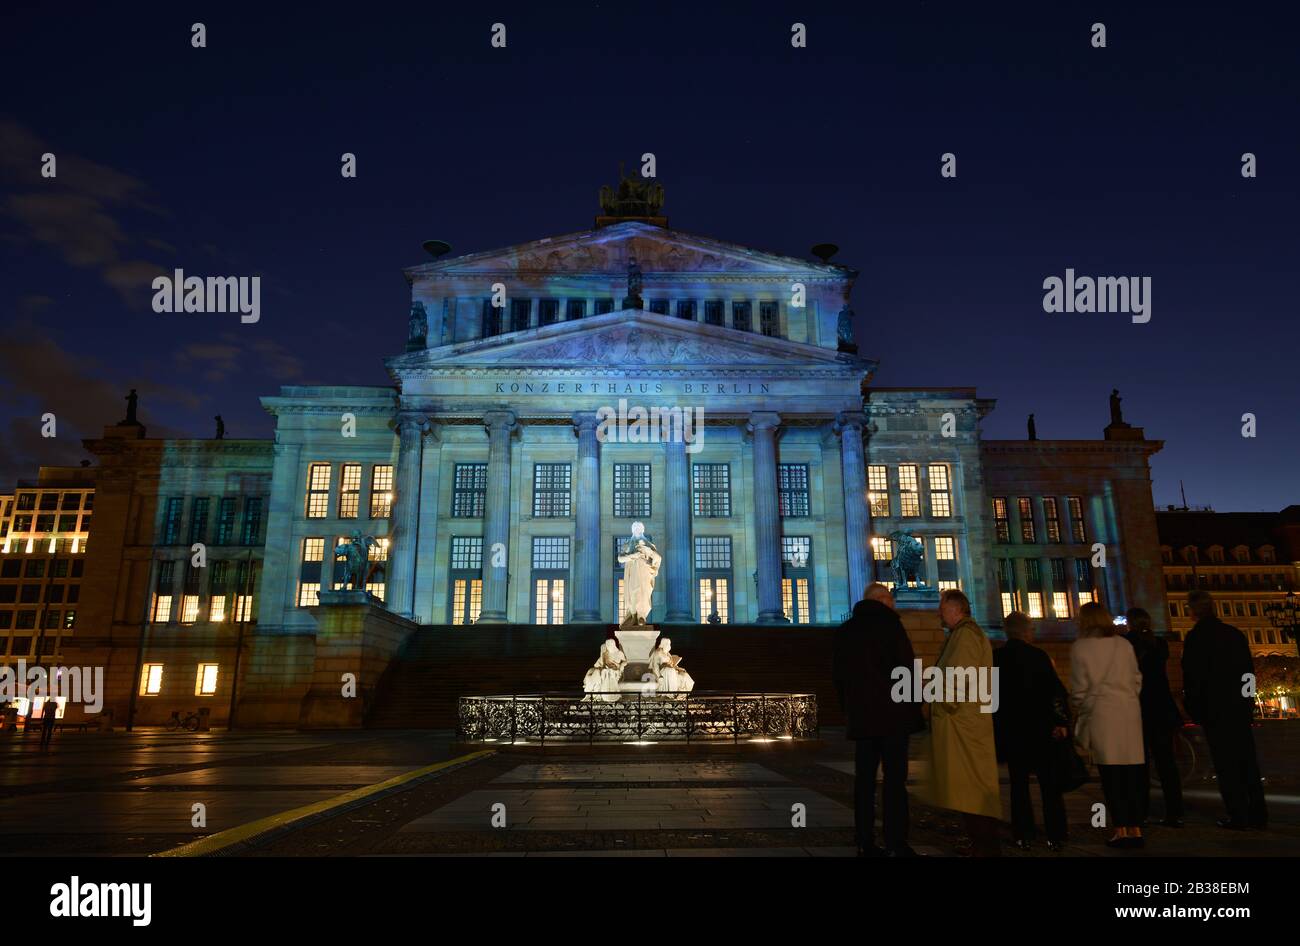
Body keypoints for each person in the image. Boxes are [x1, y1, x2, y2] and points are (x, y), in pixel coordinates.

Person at [833, 583, 924, 857]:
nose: (895, 604)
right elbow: (906, 669)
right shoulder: (891, 626)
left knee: (864, 781)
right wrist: (913, 706)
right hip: (894, 718)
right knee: (895, 782)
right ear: (883, 600)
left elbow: (838, 676)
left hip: (863, 718)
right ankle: (896, 841)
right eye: (892, 600)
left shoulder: (846, 631)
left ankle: (864, 840)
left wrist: (848, 708)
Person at [920, 589, 1002, 856]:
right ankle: (980, 842)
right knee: (967, 790)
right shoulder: (962, 635)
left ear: (955, 609)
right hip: (963, 724)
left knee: (971, 790)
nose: (938, 614)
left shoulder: (965, 635)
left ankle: (985, 846)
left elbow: (957, 680)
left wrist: (934, 703)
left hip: (964, 726)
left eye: (941, 608)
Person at [1182, 590, 1267, 830]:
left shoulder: (1195, 638)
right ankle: (1258, 813)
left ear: (1193, 610)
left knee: (1225, 764)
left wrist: (1194, 708)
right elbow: (1248, 673)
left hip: (1214, 710)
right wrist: (1248, 702)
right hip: (1238, 708)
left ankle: (1238, 814)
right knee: (1247, 761)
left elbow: (1192, 678)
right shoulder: (1234, 634)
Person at [993, 611, 1070, 851]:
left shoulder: (996, 658)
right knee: (1050, 785)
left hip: (1013, 733)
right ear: (1026, 631)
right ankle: (1055, 834)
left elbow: (991, 699)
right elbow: (1055, 693)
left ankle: (1023, 834)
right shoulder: (1039, 656)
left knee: (1018, 785)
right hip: (1041, 730)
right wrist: (1061, 723)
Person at [1071, 602, 1145, 848]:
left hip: (1103, 715)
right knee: (1132, 773)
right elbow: (1137, 678)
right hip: (1129, 712)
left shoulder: (1081, 648)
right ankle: (1136, 829)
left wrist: (1080, 707)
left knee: (1111, 776)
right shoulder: (1124, 645)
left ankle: (1121, 830)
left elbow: (1079, 690)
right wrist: (1128, 697)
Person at [1124, 607, 1185, 827]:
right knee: (1166, 763)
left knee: (1140, 764)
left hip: (1138, 709)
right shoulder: (1160, 644)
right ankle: (1175, 812)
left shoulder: (1127, 643)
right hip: (1162, 708)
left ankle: (1141, 812)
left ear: (1130, 623)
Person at [583, 629, 627, 702]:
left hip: (615, 670)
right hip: (605, 669)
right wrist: (602, 666)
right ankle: (594, 693)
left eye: (610, 645)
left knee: (606, 672)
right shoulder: (605, 654)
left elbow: (625, 661)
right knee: (595, 672)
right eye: (607, 645)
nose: (608, 646)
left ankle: (605, 695)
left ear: (613, 645)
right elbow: (597, 664)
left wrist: (620, 665)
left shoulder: (619, 653)